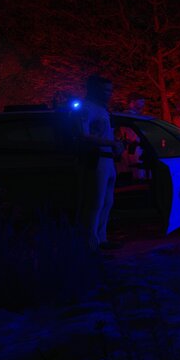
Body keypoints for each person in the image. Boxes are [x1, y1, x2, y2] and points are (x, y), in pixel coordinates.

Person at [74, 74, 124, 250]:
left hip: (107, 160)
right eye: (104, 90)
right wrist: (110, 143)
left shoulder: (101, 109)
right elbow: (82, 135)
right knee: (95, 202)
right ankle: (90, 242)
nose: (108, 94)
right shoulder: (86, 108)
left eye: (110, 90)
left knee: (107, 201)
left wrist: (116, 145)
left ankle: (101, 238)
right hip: (96, 159)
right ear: (94, 90)